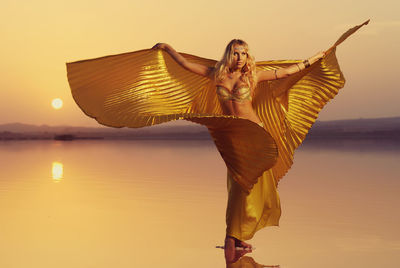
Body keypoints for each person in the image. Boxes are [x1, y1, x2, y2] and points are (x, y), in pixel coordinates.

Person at [66, 20, 369, 265]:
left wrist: (315, 59)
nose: (240, 57)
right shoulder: (215, 75)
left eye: (243, 53)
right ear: (228, 55)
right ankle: (232, 239)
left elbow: (288, 72)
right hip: (232, 134)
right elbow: (185, 66)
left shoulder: (255, 77)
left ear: (248, 56)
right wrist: (168, 49)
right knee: (239, 183)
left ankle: (236, 241)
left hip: (257, 133)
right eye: (235, 53)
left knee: (251, 184)